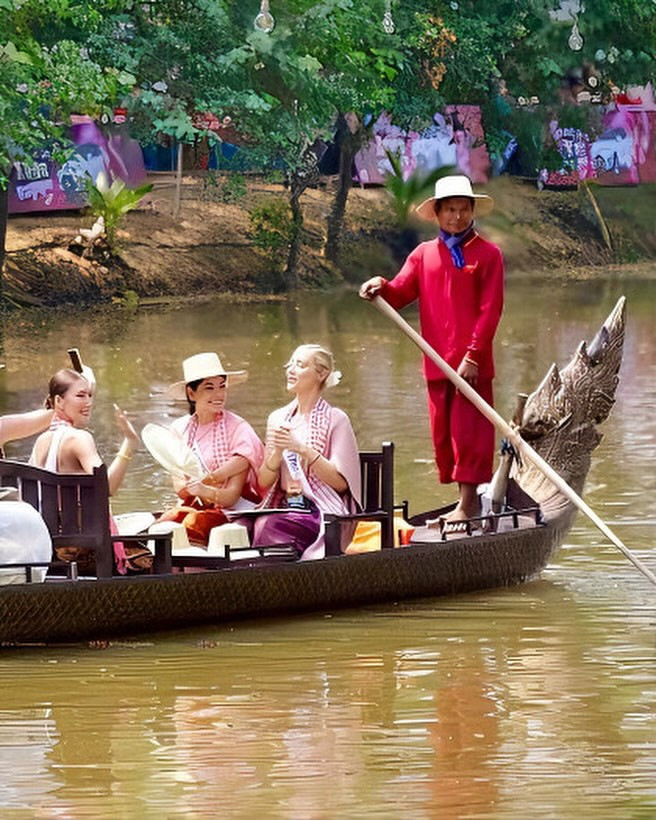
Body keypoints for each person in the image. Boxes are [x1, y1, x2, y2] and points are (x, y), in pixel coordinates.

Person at [359, 174, 504, 528]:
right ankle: (462, 503)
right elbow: (399, 293)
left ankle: (468, 505)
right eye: (450, 210)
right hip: (437, 362)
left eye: (463, 210)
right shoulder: (424, 255)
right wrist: (379, 286)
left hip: (471, 365)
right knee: (445, 436)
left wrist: (473, 356)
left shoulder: (488, 255)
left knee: (470, 433)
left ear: (472, 212)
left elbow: (490, 310)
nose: (456, 217)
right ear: (437, 214)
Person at [253, 344, 361, 560]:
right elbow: (263, 482)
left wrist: (300, 449)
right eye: (290, 364)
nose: (290, 370)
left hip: (318, 509)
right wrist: (277, 453)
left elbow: (340, 484)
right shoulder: (278, 418)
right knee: (248, 525)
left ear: (321, 374)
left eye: (300, 365)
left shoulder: (336, 419)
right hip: (284, 506)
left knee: (269, 526)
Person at [29, 367, 139, 572]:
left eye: (90, 395)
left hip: (49, 549)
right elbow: (106, 488)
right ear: (58, 401)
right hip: (89, 555)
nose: (88, 402)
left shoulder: (41, 442)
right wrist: (129, 442)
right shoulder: (79, 438)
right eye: (80, 395)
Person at [158, 352, 264, 545]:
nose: (219, 395)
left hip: (232, 511)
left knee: (193, 523)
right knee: (163, 526)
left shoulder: (238, 428)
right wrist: (195, 488)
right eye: (209, 388)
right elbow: (181, 490)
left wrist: (206, 484)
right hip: (194, 505)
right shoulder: (179, 430)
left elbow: (232, 496)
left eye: (222, 387)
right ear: (191, 393)